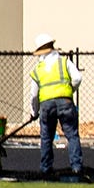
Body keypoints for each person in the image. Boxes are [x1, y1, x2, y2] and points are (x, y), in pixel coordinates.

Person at [28, 33, 82, 179]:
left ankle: (46, 168)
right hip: (66, 102)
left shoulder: (38, 69)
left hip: (47, 105)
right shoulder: (64, 62)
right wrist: (69, 90)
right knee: (72, 135)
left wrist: (34, 112)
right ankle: (76, 167)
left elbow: (34, 95)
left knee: (46, 137)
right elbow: (77, 78)